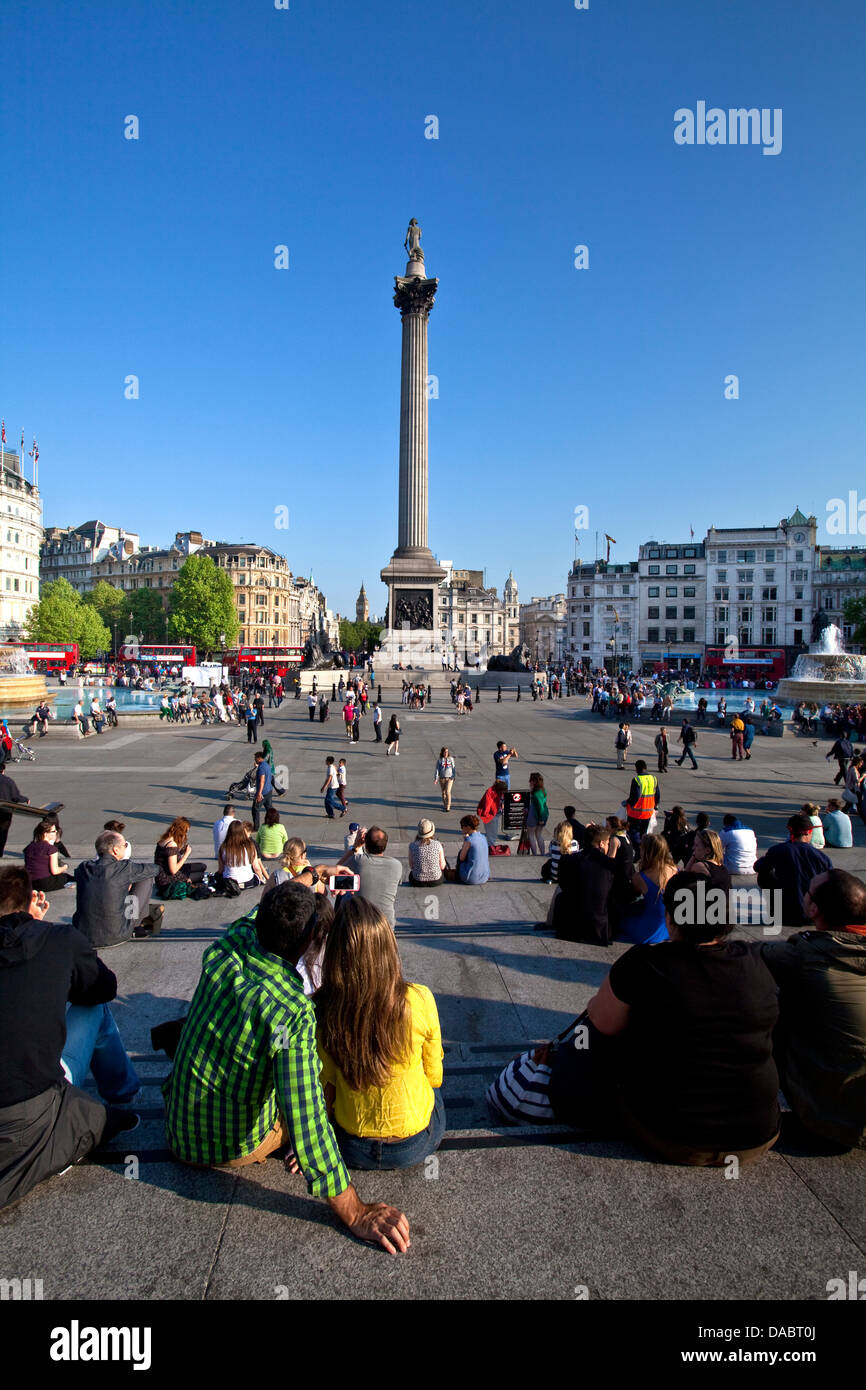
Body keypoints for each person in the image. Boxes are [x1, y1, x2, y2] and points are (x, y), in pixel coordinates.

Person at [162, 882, 410, 1253]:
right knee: (319, 1091)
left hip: (178, 1121)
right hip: (223, 1145)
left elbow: (261, 908)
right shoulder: (289, 1012)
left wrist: (313, 879)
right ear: (309, 939)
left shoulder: (233, 940)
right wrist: (355, 1212)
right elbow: (305, 1114)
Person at [490, 873, 781, 1168]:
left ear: (671, 919)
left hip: (677, 1136)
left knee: (592, 1037)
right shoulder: (755, 959)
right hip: (758, 1133)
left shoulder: (647, 963)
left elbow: (601, 1022)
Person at [0, 866, 141, 1210]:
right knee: (94, 1008)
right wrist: (39, 937)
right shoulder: (59, 940)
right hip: (26, 1111)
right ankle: (124, 1092)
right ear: (30, 900)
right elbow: (103, 988)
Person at [315, 896, 445, 1170]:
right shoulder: (419, 998)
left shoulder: (324, 1008)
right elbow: (434, 1078)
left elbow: (326, 1088)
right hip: (413, 1142)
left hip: (352, 1144)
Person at [761, 869, 866, 1150]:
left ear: (813, 908)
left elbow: (750, 955)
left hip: (834, 1117)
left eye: (807, 892)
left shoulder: (805, 954)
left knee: (770, 1000)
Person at [73, 831, 161, 947]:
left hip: (83, 935)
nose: (126, 848)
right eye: (125, 845)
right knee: (145, 878)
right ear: (116, 850)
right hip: (117, 935)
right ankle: (135, 925)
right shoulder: (124, 868)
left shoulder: (83, 868)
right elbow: (155, 869)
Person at [755, 813, 833, 927]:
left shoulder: (778, 850)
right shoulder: (822, 857)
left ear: (790, 831)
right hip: (811, 915)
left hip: (785, 915)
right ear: (809, 832)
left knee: (764, 875)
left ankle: (776, 910)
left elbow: (757, 867)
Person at [546, 825, 620, 944]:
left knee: (561, 895)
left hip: (569, 925)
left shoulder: (567, 860)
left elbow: (563, 885)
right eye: (607, 844)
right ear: (601, 844)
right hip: (597, 926)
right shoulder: (609, 864)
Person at [615, 833, 676, 945]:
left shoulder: (642, 877)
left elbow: (628, 897)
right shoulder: (674, 869)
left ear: (647, 852)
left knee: (620, 918)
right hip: (671, 928)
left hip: (651, 929)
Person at [337, 826, 403, 928]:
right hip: (386, 926)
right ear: (385, 845)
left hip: (360, 925)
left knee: (342, 893)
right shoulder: (396, 865)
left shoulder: (357, 861)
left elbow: (336, 870)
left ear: (366, 845)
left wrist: (355, 847)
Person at [154, 818, 207, 896]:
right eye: (185, 832)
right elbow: (173, 870)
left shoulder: (165, 839)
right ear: (180, 831)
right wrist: (186, 855)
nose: (185, 835)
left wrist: (181, 851)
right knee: (201, 875)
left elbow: (170, 858)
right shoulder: (171, 844)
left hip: (164, 873)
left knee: (202, 866)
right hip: (166, 879)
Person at [24, 820, 73, 893]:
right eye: (53, 831)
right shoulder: (51, 849)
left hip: (30, 883)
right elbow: (55, 871)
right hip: (45, 883)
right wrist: (65, 867)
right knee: (68, 877)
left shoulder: (29, 847)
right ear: (45, 834)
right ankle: (68, 884)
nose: (56, 832)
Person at [218, 821, 268, 890]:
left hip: (229, 883)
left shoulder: (223, 847)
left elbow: (221, 869)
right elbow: (256, 868)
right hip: (248, 882)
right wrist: (261, 878)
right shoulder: (250, 846)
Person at [683, 829, 732, 895]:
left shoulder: (700, 866)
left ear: (707, 851)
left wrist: (693, 856)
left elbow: (683, 880)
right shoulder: (723, 868)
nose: (693, 848)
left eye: (696, 845)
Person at [444, 815, 490, 885]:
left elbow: (461, 858)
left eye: (462, 826)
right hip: (485, 876)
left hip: (471, 878)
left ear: (468, 827)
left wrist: (465, 840)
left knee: (460, 853)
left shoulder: (469, 840)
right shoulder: (483, 837)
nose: (461, 829)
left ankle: (457, 875)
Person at [624, 759, 659, 847]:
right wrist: (655, 806)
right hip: (648, 813)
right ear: (645, 768)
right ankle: (642, 851)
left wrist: (628, 803)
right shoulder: (653, 779)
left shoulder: (637, 780)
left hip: (636, 813)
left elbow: (635, 797)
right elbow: (657, 795)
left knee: (632, 833)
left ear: (636, 769)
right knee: (643, 834)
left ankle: (638, 850)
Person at [408, 819, 446, 886]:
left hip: (418, 880)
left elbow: (412, 866)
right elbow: (442, 866)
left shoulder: (412, 845)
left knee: (411, 875)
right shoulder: (438, 844)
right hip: (436, 880)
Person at [542, 820, 579, 884]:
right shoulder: (574, 843)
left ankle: (550, 878)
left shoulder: (553, 843)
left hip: (556, 876)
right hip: (570, 876)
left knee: (549, 863)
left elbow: (551, 854)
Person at [477, 780, 506, 850]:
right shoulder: (490, 792)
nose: (503, 793)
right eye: (503, 791)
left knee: (493, 833)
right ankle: (490, 848)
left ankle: (490, 847)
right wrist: (486, 815)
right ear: (500, 789)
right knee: (491, 834)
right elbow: (488, 804)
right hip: (490, 816)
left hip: (493, 815)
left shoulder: (496, 791)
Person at [524, 772, 548, 856]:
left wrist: (540, 819)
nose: (529, 781)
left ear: (534, 781)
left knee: (531, 834)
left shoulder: (536, 794)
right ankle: (542, 853)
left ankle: (535, 853)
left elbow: (540, 807)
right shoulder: (543, 790)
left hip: (534, 815)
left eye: (530, 780)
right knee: (539, 835)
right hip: (543, 815)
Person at [252, 750, 273, 831]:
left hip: (262, 792)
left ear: (259, 758)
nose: (254, 759)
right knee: (269, 809)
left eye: (255, 758)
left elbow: (262, 780)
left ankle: (256, 827)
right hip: (269, 790)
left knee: (255, 809)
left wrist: (259, 793)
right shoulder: (267, 765)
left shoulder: (261, 767)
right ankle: (272, 824)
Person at [434, 746, 455, 811]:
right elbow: (437, 769)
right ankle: (445, 805)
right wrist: (436, 778)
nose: (446, 753)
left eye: (447, 751)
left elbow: (454, 768)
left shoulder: (451, 759)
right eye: (445, 751)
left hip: (449, 778)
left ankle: (448, 806)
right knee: (443, 793)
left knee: (447, 792)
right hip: (442, 778)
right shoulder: (440, 760)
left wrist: (453, 776)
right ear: (442, 752)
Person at [321, 755, 342, 820]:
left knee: (329, 801)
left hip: (333, 787)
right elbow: (337, 773)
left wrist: (324, 787)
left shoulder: (330, 768)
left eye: (326, 760)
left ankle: (343, 808)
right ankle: (330, 814)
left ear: (328, 762)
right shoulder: (332, 766)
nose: (325, 761)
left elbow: (329, 778)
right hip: (333, 785)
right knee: (327, 801)